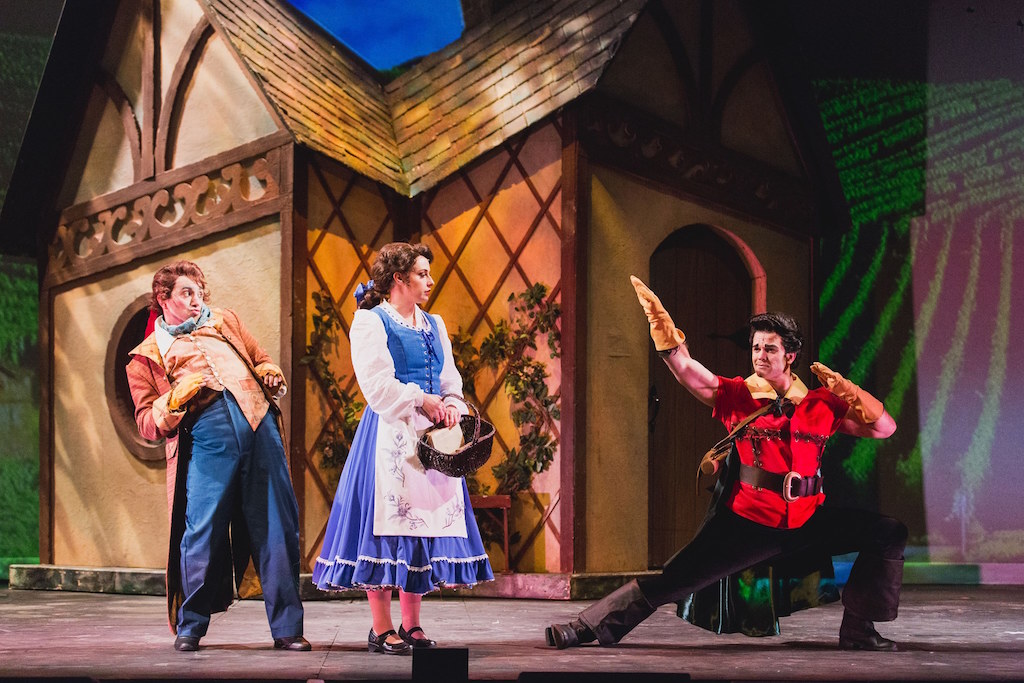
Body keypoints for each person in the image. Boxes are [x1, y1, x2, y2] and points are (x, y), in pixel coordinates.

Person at [546, 276, 907, 651]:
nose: (760, 355)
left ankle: (859, 632)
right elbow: (688, 371)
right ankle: (585, 626)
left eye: (770, 348)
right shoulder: (738, 395)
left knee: (889, 532)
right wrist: (662, 328)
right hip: (750, 523)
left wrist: (848, 390)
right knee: (676, 578)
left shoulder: (821, 404)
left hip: (807, 520)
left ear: (791, 355)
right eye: (756, 347)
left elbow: (884, 428)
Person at [312, 242, 493, 655]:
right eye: (422, 274)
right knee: (389, 526)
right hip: (391, 432)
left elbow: (449, 378)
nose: (430, 281)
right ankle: (381, 628)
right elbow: (376, 385)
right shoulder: (371, 321)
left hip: (432, 436)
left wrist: (451, 403)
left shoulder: (434, 323)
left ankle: (412, 625)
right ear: (399, 279)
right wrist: (419, 399)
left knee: (421, 526)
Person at [126, 260, 309, 652]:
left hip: (259, 427)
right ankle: (191, 625)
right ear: (164, 298)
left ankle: (288, 629)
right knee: (201, 530)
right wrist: (172, 401)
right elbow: (146, 423)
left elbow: (261, 358)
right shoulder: (146, 356)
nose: (197, 300)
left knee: (278, 524)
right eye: (186, 293)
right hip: (208, 439)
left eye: (199, 292)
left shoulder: (226, 321)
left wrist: (270, 371)